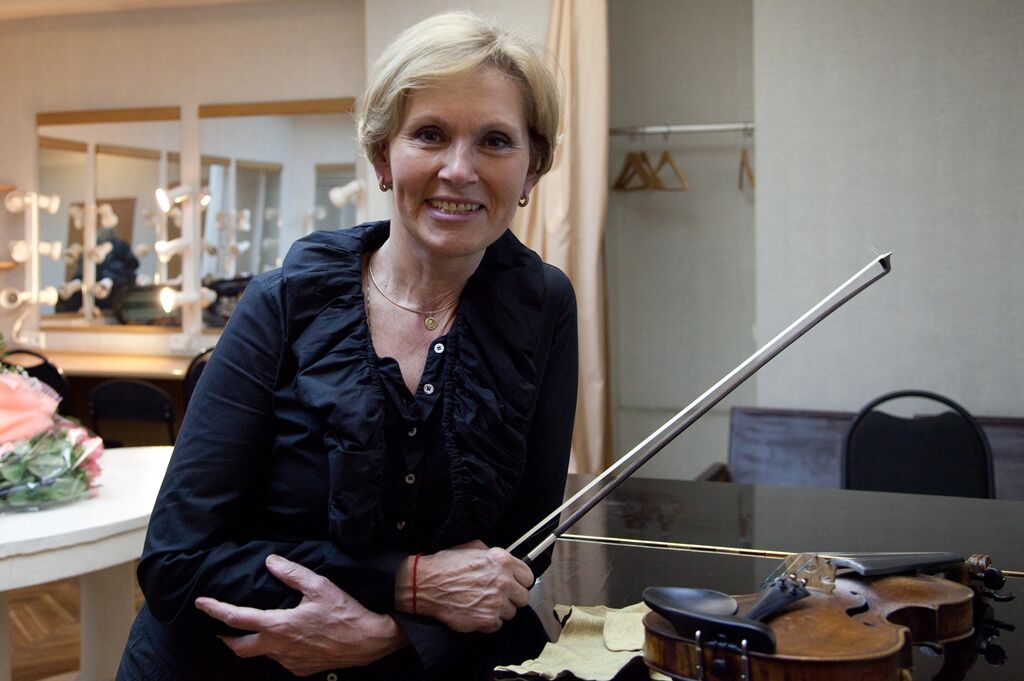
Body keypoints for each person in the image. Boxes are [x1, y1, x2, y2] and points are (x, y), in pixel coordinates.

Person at [117, 10, 577, 681]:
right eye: (430, 134)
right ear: (383, 156)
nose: (459, 169)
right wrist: (409, 583)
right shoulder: (282, 302)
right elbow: (177, 563)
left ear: (531, 170)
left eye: (495, 141)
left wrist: (386, 635)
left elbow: (516, 557)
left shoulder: (543, 306)